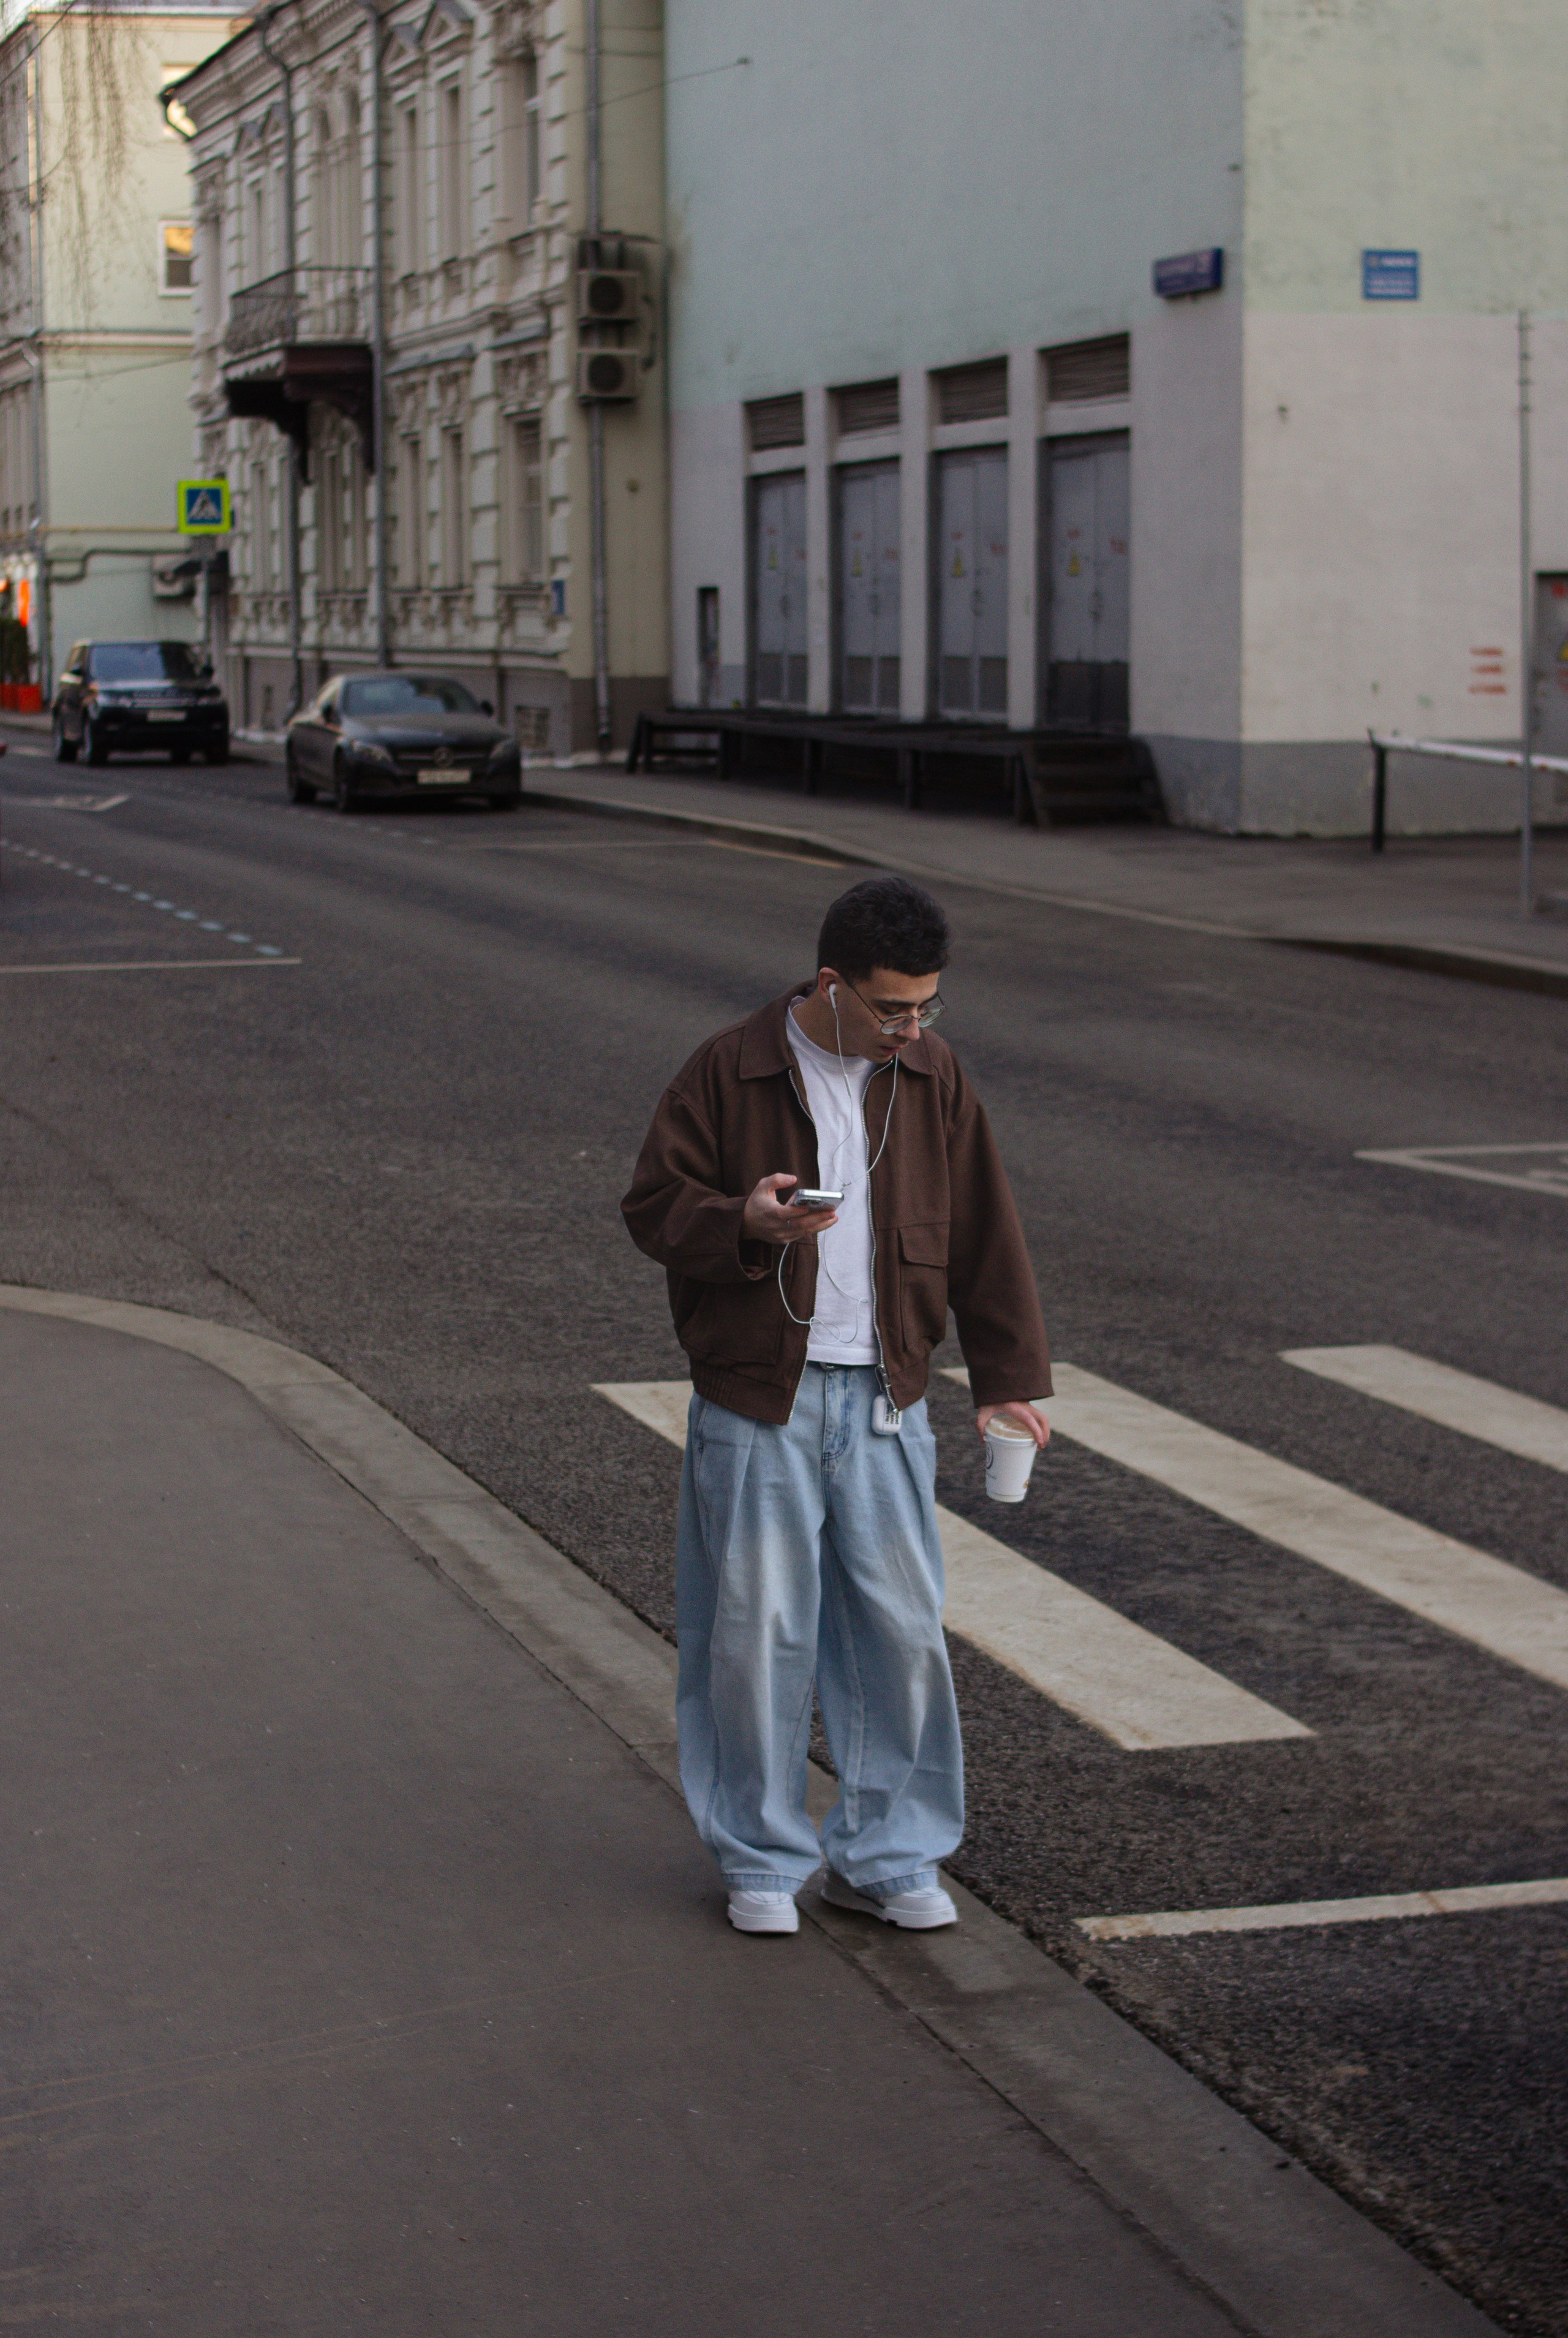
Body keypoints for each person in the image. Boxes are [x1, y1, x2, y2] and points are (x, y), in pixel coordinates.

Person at [622, 875, 1050, 1936]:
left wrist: (1010, 1384)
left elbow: (988, 1232)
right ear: (832, 985)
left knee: (900, 1634)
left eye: (927, 1008)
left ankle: (887, 1857)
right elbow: (653, 1209)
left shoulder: (932, 1075)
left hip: (886, 1401)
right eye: (893, 1008)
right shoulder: (730, 1068)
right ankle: (762, 1859)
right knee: (754, 1635)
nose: (912, 1029)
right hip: (757, 1399)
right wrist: (742, 1222)